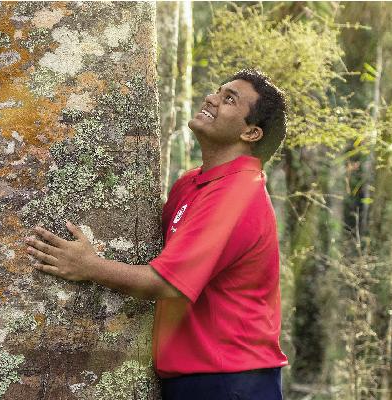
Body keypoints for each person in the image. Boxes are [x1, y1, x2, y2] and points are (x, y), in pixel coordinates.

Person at [24, 70, 290, 399]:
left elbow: (166, 282)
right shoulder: (193, 184)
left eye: (229, 99)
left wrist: (88, 266)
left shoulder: (239, 194)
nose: (212, 99)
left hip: (231, 380)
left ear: (251, 132)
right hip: (193, 379)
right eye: (218, 92)